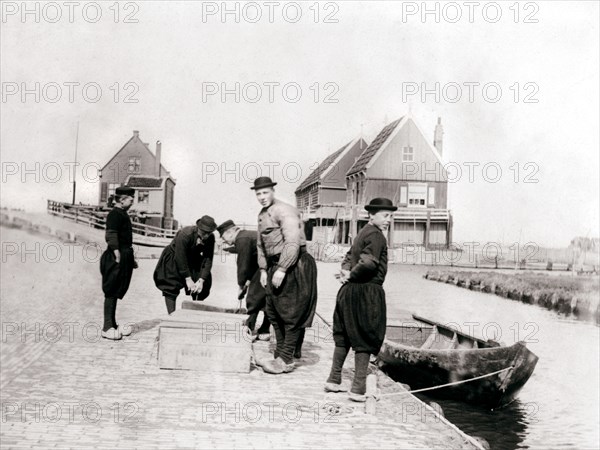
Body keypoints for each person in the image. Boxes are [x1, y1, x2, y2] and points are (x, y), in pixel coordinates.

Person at [324, 197, 396, 401]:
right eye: (385, 215)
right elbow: (369, 263)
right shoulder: (377, 236)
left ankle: (333, 379)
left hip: (348, 292)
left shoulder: (362, 233)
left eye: (390, 216)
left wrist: (346, 272)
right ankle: (358, 389)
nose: (388, 220)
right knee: (365, 337)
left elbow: (348, 256)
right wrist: (352, 274)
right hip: (367, 292)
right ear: (371, 215)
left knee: (344, 335)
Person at [252, 176, 318, 374]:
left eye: (265, 192)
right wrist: (264, 269)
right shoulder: (263, 214)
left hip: (294, 264)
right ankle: (281, 355)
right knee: (272, 311)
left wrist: (282, 268)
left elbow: (292, 242)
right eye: (258, 194)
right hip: (274, 265)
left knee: (291, 313)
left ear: (273, 191)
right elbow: (260, 244)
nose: (262, 197)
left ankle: (285, 357)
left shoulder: (285, 210)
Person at [217, 220, 271, 340]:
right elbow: (253, 262)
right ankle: (264, 328)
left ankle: (250, 328)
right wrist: (247, 283)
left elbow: (244, 266)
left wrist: (241, 286)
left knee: (254, 297)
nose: (224, 240)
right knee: (265, 298)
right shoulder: (245, 236)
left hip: (268, 267)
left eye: (223, 236)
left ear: (230, 232)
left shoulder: (242, 239)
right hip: (267, 266)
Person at [153, 215, 217, 314]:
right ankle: (171, 315)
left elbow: (208, 259)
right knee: (171, 285)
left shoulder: (210, 238)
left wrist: (201, 280)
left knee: (203, 284)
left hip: (193, 258)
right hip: (174, 257)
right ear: (198, 228)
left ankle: (195, 312)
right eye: (204, 232)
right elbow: (180, 258)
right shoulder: (185, 234)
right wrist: (188, 278)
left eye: (209, 233)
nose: (206, 236)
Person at [99, 186, 137, 340]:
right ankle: (107, 326)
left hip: (124, 255)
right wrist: (116, 253)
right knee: (111, 290)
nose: (132, 202)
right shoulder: (114, 214)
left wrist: (131, 259)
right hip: (116, 256)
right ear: (122, 200)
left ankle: (113, 325)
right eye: (130, 199)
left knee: (116, 290)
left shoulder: (123, 214)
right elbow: (111, 234)